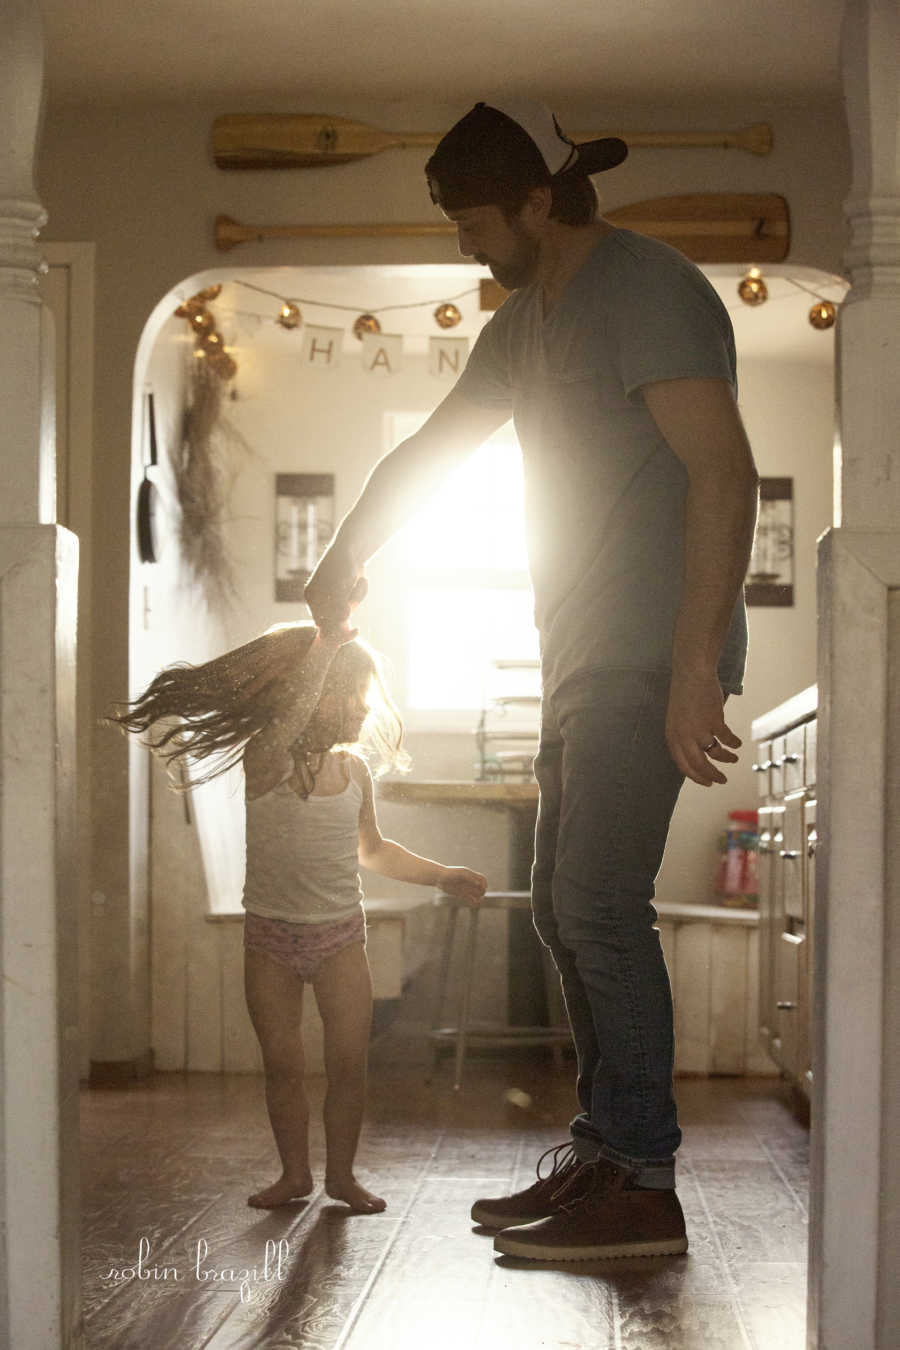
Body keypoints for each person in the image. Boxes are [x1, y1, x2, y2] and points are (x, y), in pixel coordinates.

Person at [304, 98, 759, 1261]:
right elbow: (433, 449)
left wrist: (694, 667)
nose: (463, 246)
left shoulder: (648, 289)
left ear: (538, 202)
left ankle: (644, 1186)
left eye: (471, 223)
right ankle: (605, 1154)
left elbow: (725, 474)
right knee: (566, 912)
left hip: (652, 653)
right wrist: (349, 546)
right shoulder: (521, 327)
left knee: (601, 907)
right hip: (582, 658)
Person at [109, 620, 486, 1213]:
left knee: (347, 1064)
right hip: (270, 939)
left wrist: (442, 874)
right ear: (309, 694)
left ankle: (341, 1176)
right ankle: (294, 1175)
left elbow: (375, 850)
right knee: (283, 1066)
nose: (362, 710)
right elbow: (289, 715)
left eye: (364, 696)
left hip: (340, 938)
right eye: (350, 694)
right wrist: (327, 645)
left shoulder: (355, 772)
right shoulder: (266, 758)